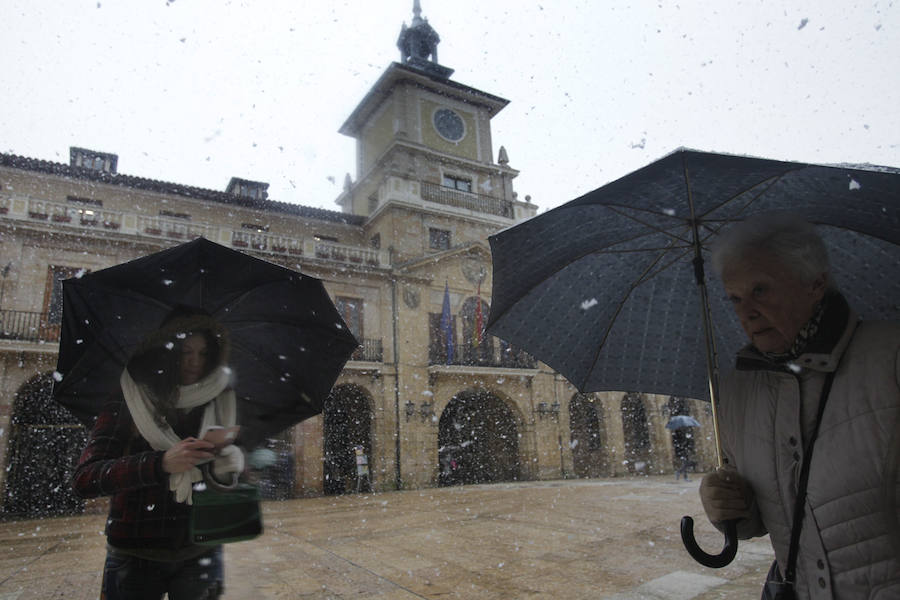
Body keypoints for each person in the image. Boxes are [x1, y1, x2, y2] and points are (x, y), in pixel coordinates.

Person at [698, 212, 900, 598]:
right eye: (735, 298)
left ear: (815, 284)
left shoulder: (889, 358)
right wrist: (728, 507)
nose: (747, 312)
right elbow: (764, 518)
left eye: (761, 290)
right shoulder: (740, 391)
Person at [72, 307, 245, 599]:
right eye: (186, 351)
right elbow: (86, 478)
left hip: (201, 548)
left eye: (203, 354)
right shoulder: (132, 395)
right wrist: (160, 463)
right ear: (167, 351)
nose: (195, 362)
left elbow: (220, 482)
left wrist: (231, 466)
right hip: (136, 553)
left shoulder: (218, 398)